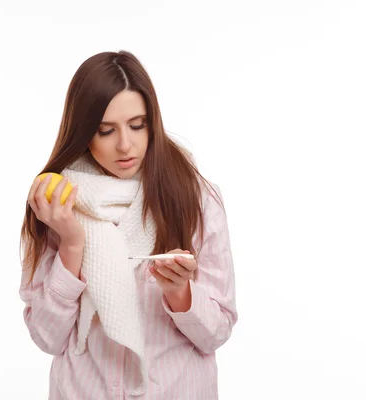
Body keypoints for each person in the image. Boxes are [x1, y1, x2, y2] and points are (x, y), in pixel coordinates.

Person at [19, 50, 238, 400]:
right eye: (106, 131)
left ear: (153, 121)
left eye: (137, 125)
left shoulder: (195, 198)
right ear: (84, 133)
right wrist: (72, 245)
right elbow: (48, 338)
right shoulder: (55, 202)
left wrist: (180, 293)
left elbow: (218, 332)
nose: (125, 144)